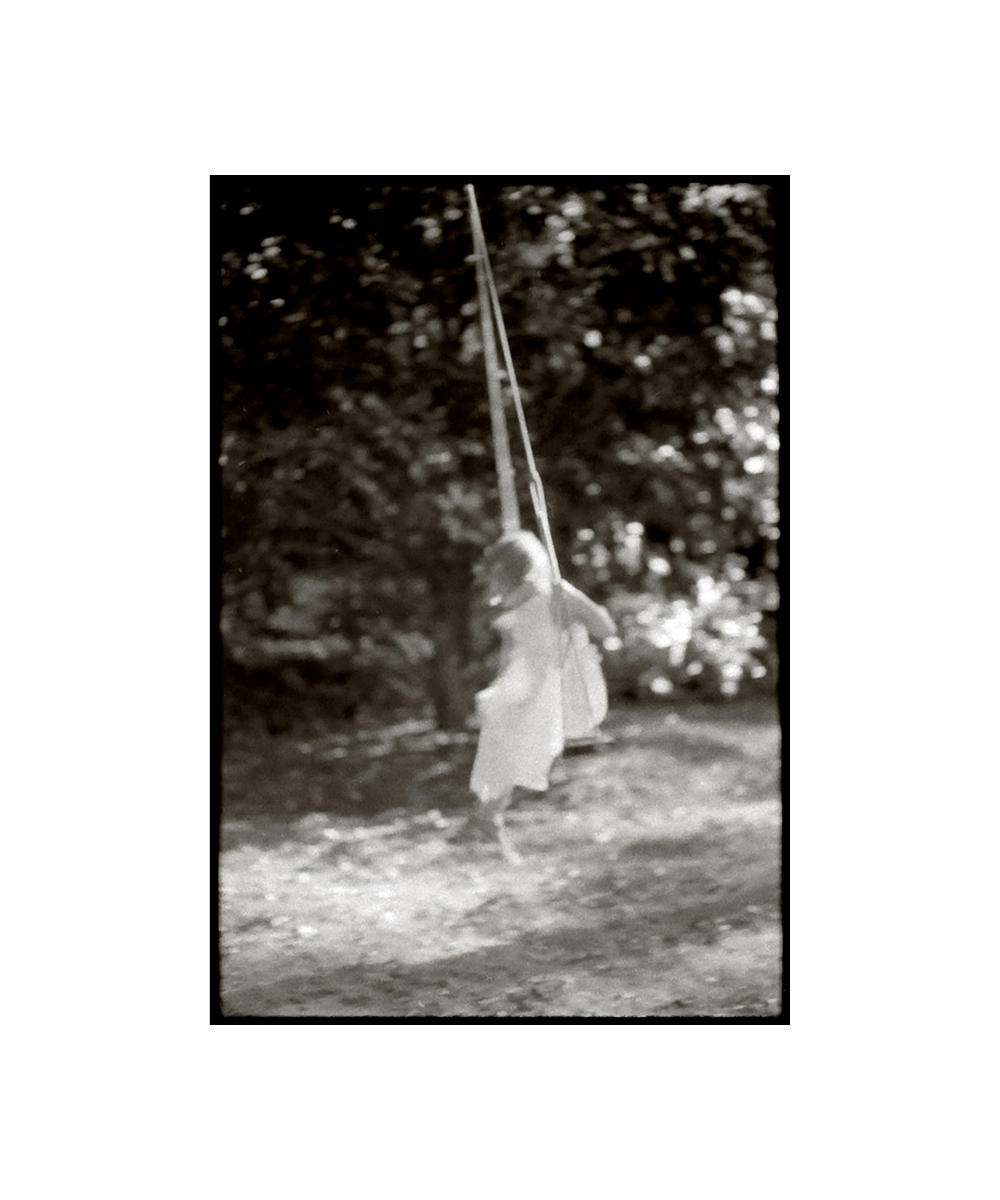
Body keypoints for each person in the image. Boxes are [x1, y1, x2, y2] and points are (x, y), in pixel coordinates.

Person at [461, 529, 616, 862]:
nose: (498, 588)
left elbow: (605, 628)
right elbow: (512, 650)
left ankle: (486, 822)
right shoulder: (522, 601)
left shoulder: (556, 594)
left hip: (547, 689)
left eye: (500, 578)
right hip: (524, 688)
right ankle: (486, 822)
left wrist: (576, 611)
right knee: (505, 754)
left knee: (514, 756)